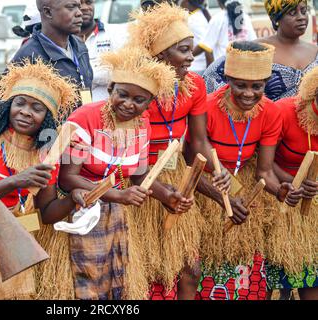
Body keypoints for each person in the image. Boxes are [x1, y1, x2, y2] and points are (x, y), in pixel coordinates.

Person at [0, 58, 88, 300]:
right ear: (8, 104)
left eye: (37, 108)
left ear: (48, 118)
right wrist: (16, 181)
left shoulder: (48, 149)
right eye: (19, 103)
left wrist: (73, 199)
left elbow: (46, 212)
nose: (25, 111)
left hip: (13, 231)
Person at [58, 45, 194, 300]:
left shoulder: (143, 125)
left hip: (116, 213)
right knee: (88, 288)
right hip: (79, 208)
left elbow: (140, 175)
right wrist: (118, 195)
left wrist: (167, 195)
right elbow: (67, 178)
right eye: (122, 94)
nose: (128, 104)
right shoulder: (84, 118)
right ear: (110, 90)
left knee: (118, 286)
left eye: (139, 100)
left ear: (149, 103)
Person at [125, 2, 231, 300]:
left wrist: (218, 170)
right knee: (146, 270)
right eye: (183, 50)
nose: (191, 56)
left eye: (191, 49)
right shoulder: (136, 87)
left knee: (190, 268)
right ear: (160, 55)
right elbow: (133, 164)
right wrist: (163, 193)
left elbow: (197, 142)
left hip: (177, 177)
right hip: (139, 181)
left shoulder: (195, 85)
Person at [194, 41, 302, 300]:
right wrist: (222, 197)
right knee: (209, 272)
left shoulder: (271, 112)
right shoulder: (207, 107)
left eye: (257, 86)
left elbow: (264, 172)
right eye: (240, 85)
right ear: (228, 78)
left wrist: (280, 190)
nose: (249, 94)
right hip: (209, 187)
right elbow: (193, 167)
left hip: (246, 195)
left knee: (249, 279)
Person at [267, 66, 318, 300]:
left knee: (311, 278)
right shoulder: (285, 111)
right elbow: (263, 162)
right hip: (279, 195)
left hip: (313, 207)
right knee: (276, 278)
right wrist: (293, 182)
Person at [203, 0, 318, 101]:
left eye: (304, 11)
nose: (301, 17)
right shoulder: (256, 50)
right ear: (275, 18)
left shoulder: (315, 51)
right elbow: (212, 75)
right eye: (292, 13)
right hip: (267, 124)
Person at [10, 0, 93, 108]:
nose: (79, 13)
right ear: (48, 12)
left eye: (78, 6)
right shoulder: (28, 57)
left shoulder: (79, 45)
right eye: (71, 7)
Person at [77, 0, 126, 102]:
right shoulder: (65, 38)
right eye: (79, 4)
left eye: (89, 2)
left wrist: (86, 76)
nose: (85, 7)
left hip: (108, 106)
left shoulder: (114, 33)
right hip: (78, 108)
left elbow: (122, 71)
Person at [179, 0, 212, 74]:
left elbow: (206, 45)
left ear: (186, 2)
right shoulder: (196, 16)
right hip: (195, 66)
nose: (179, 5)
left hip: (196, 67)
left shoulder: (195, 19)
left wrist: (185, 55)